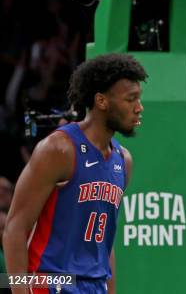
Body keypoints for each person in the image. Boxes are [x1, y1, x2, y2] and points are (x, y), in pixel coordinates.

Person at [2, 53, 147, 294]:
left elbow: (104, 244)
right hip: (53, 284)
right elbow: (15, 227)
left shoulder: (124, 160)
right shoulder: (58, 149)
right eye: (131, 99)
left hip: (94, 286)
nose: (139, 108)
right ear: (101, 101)